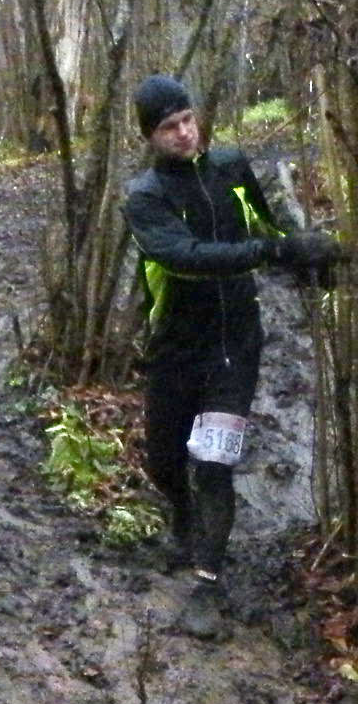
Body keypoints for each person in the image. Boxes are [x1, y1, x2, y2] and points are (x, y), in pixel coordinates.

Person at [121, 75, 341, 639]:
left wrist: (311, 258)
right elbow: (186, 258)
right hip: (176, 347)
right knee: (164, 462)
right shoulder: (145, 197)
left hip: (235, 345)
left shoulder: (231, 167)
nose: (184, 133)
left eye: (188, 120)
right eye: (169, 128)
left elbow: (269, 224)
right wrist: (272, 251)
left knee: (214, 463)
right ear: (150, 137)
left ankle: (207, 584)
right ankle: (184, 524)